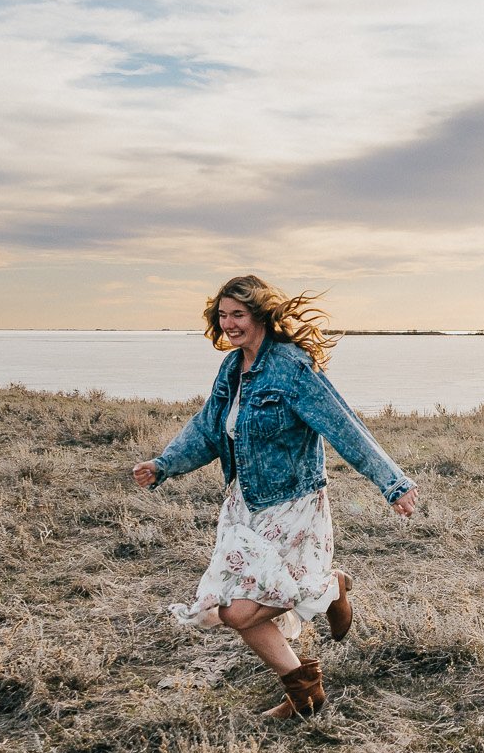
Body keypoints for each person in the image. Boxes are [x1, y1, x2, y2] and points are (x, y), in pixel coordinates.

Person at [133, 275, 418, 719]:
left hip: (293, 504)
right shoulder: (232, 369)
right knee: (231, 608)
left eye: (238, 315)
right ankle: (307, 693)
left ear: (261, 315)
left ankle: (327, 587)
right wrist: (164, 464)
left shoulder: (292, 366)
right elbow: (208, 428)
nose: (229, 324)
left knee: (240, 611)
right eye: (222, 315)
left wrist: (393, 483)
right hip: (245, 506)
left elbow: (343, 426)